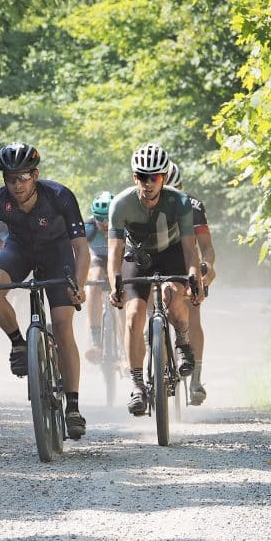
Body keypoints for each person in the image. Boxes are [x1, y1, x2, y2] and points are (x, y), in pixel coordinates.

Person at [0, 142, 90, 439]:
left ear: (36, 175)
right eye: (10, 179)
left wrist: (78, 286)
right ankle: (18, 342)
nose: (17, 185)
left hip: (57, 255)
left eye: (23, 177)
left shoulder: (60, 196)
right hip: (19, 251)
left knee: (64, 327)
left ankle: (73, 407)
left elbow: (81, 248)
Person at [107, 144, 205, 417]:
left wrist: (194, 276)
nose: (148, 183)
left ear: (163, 177)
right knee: (133, 315)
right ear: (133, 177)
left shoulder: (179, 202)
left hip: (172, 253)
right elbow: (114, 252)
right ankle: (138, 385)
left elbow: (189, 249)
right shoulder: (121, 204)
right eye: (142, 176)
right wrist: (114, 281)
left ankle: (183, 342)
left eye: (156, 177)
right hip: (137, 257)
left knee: (172, 297)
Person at [166, 160, 216, 405]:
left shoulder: (194, 205)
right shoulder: (144, 201)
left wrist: (207, 268)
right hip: (158, 261)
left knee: (193, 315)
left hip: (187, 262)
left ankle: (196, 379)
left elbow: (206, 246)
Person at [83, 191, 113, 363]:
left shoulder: (122, 225)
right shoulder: (88, 228)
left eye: (109, 218)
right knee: (94, 279)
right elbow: (77, 252)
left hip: (117, 258)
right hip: (97, 258)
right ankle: (95, 341)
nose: (105, 224)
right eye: (100, 218)